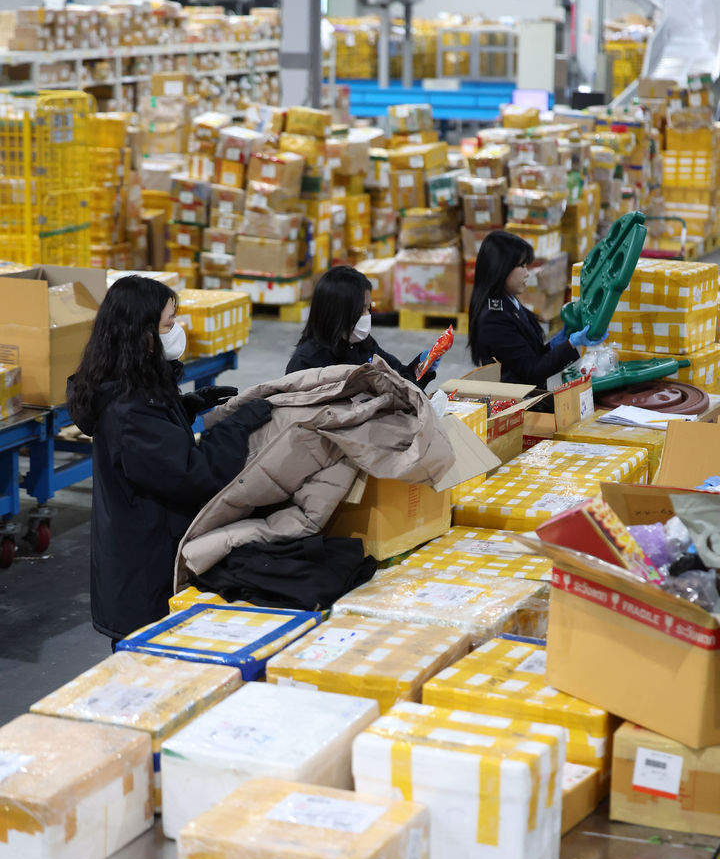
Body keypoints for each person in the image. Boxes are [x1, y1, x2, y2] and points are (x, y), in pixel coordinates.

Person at [66, 274, 272, 646]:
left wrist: (185, 406)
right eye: (170, 324)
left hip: (145, 547)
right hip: (145, 573)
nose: (177, 331)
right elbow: (194, 473)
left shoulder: (128, 382)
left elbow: (154, 443)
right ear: (140, 333)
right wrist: (236, 427)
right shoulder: (130, 411)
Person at [468, 230, 607, 388]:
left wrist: (562, 340)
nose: (527, 273)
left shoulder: (509, 302)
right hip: (515, 404)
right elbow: (532, 370)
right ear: (501, 268)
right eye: (521, 266)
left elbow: (531, 354)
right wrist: (572, 343)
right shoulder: (493, 318)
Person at [286, 265, 439, 389]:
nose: (367, 316)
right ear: (337, 313)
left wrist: (420, 367)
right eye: (361, 310)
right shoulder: (306, 362)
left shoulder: (363, 345)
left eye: (368, 308)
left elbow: (399, 378)